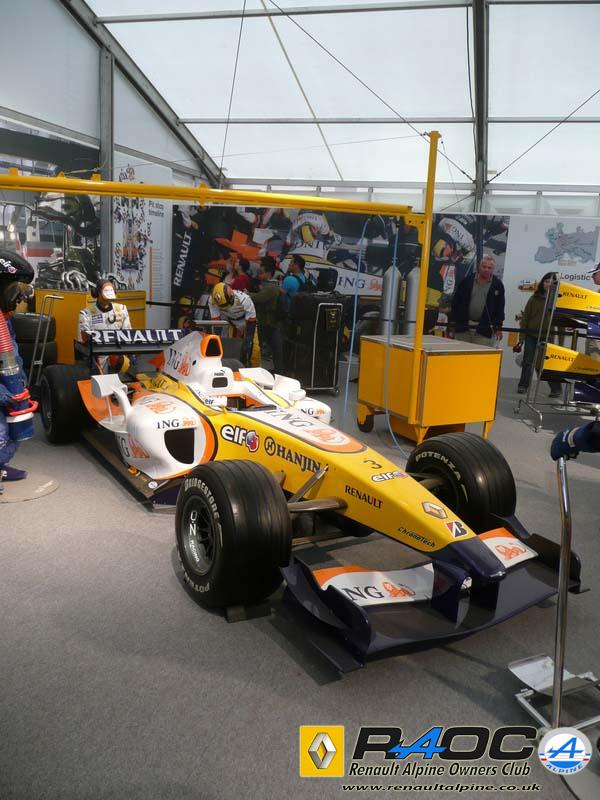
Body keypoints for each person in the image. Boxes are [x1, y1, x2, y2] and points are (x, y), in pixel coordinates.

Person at [0, 250, 35, 493]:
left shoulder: (5, 321)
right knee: (1, 433)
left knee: (16, 430)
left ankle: (0, 465)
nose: (18, 298)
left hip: (9, 386)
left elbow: (12, 354)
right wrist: (4, 394)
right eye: (14, 289)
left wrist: (20, 384)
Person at [514, 272, 562, 397]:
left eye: (552, 282)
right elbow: (525, 318)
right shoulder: (533, 298)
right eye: (546, 281)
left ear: (556, 285)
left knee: (547, 364)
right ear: (542, 283)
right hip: (531, 335)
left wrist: (560, 342)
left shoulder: (558, 301)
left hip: (547, 336)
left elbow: (561, 321)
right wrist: (522, 338)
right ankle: (523, 385)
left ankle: (556, 389)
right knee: (527, 362)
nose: (548, 284)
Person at [449, 255, 505, 347]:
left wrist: (499, 328)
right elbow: (456, 302)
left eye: (489, 268)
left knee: (480, 355)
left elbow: (500, 308)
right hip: (463, 326)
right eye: (484, 266)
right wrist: (452, 322)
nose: (486, 269)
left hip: (484, 329)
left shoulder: (498, 285)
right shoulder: (467, 281)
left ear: (493, 269)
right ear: (479, 267)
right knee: (461, 353)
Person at [78, 279, 132, 372]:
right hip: (97, 357)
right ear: (97, 293)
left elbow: (128, 334)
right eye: (105, 296)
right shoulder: (86, 313)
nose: (108, 299)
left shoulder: (122, 309)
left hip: (118, 355)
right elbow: (83, 341)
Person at [209, 282, 257, 366]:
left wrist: (248, 341)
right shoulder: (212, 301)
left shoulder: (245, 299)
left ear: (232, 296)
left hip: (248, 322)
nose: (225, 307)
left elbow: (251, 322)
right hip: (232, 323)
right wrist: (216, 340)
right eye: (222, 305)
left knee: (254, 351)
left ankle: (253, 370)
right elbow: (217, 323)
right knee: (231, 349)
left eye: (226, 304)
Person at [250, 258, 283, 374]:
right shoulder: (270, 285)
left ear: (268, 273)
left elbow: (260, 298)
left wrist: (246, 294)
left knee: (274, 346)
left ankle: (278, 370)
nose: (259, 275)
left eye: (261, 272)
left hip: (269, 321)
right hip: (268, 321)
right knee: (274, 346)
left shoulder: (271, 287)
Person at [585, 263, 600, 360]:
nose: (592, 277)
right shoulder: (598, 292)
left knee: (594, 365)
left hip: (597, 338)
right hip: (594, 335)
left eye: (594, 274)